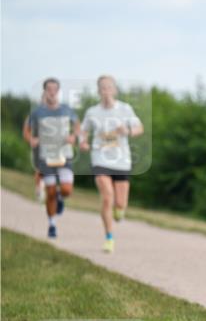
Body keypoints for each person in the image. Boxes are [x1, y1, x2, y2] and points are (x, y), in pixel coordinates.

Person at [79, 75, 144, 253]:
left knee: (120, 204)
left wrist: (128, 130)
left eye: (109, 87)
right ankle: (109, 238)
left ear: (114, 90)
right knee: (107, 197)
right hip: (100, 157)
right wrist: (83, 142)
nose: (106, 90)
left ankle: (120, 209)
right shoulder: (92, 112)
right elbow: (83, 131)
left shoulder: (125, 108)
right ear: (98, 90)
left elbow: (140, 128)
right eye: (102, 87)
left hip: (121, 160)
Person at [23, 78, 79, 238]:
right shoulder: (37, 112)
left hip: (64, 154)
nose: (52, 92)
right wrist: (31, 139)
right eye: (49, 89)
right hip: (46, 156)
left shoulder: (67, 109)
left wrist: (74, 136)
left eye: (55, 89)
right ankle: (52, 224)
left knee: (67, 189)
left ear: (58, 91)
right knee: (51, 191)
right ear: (45, 91)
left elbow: (77, 126)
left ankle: (62, 198)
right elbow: (26, 130)